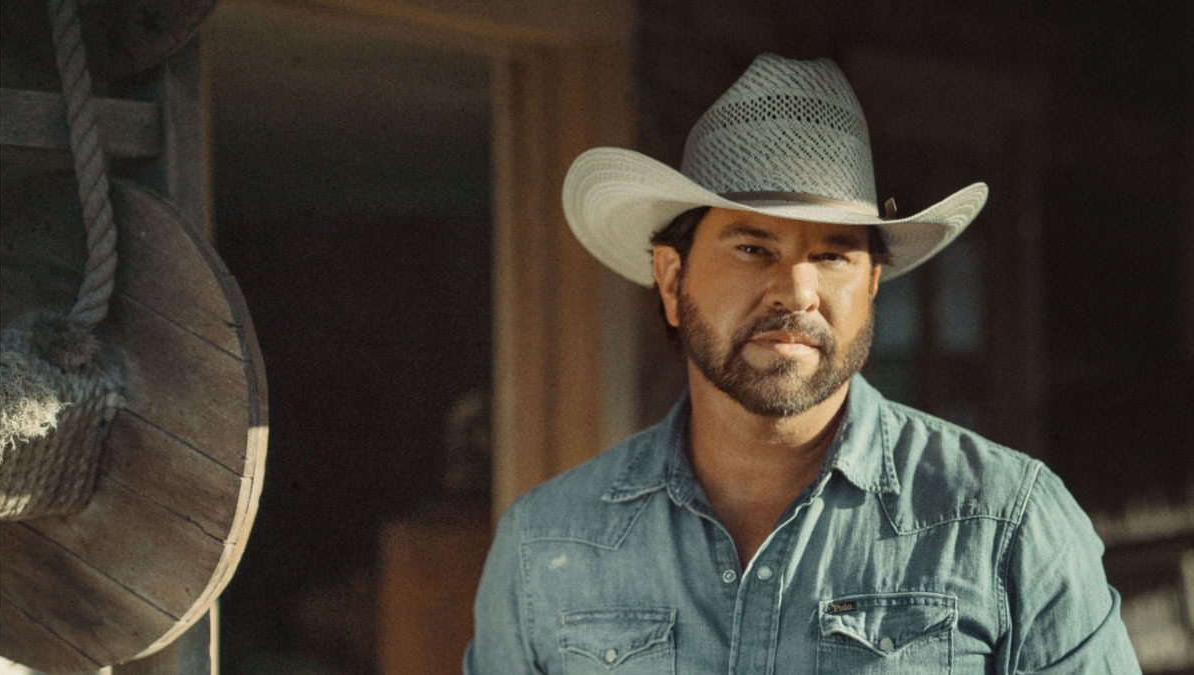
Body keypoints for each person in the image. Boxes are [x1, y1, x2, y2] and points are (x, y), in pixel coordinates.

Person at [464, 53, 1140, 673]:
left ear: (871, 284)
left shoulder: (1007, 523)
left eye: (833, 254)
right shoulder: (547, 543)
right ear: (671, 281)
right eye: (754, 249)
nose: (796, 291)